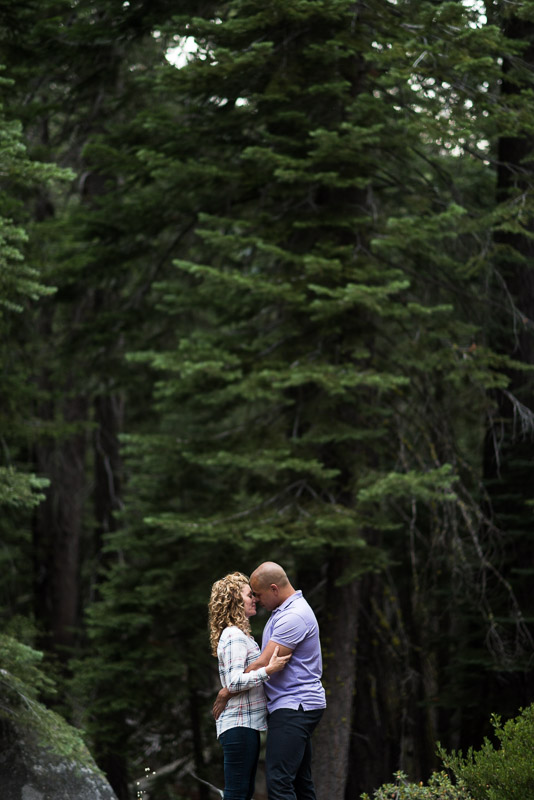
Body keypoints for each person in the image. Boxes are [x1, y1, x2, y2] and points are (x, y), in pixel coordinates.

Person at [213, 562, 326, 800]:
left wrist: (226, 692)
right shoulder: (280, 612)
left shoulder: (293, 616)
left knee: (279, 781)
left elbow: (264, 663)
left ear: (274, 589)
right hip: (286, 706)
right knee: (299, 782)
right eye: (251, 595)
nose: (256, 599)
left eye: (258, 594)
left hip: (294, 705)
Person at [208, 572, 291, 800]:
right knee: (237, 793)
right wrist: (269, 670)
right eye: (248, 595)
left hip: (246, 725)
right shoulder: (234, 635)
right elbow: (234, 681)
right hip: (238, 725)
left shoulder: (240, 635)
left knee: (244, 792)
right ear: (235, 601)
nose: (254, 599)